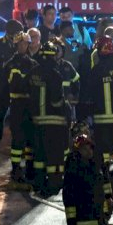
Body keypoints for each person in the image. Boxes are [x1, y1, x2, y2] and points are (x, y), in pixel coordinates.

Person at [29, 40, 70, 194]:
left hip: (37, 120)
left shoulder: (33, 73)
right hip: (54, 120)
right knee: (54, 154)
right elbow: (56, 100)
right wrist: (65, 106)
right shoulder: (55, 74)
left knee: (39, 153)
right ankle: (54, 183)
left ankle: (39, 181)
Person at [62, 133, 112, 225]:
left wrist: (108, 200)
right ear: (77, 152)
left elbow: (104, 185)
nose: (89, 151)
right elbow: (69, 199)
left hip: (99, 222)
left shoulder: (95, 165)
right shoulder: (74, 171)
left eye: (90, 147)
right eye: (85, 148)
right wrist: (71, 224)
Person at [4, 32, 38, 181]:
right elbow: (16, 83)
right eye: (21, 44)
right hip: (17, 105)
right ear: (16, 45)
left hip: (30, 105)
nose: (24, 46)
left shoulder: (33, 63)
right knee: (18, 137)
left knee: (30, 137)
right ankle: (16, 168)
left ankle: (30, 167)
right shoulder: (10, 64)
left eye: (26, 44)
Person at [0, 20, 23, 153]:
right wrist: (4, 63)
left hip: (19, 85)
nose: (16, 36)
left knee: (19, 115)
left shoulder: (22, 43)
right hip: (3, 84)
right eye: (15, 33)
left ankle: (18, 143)